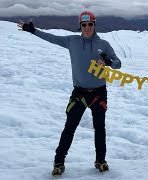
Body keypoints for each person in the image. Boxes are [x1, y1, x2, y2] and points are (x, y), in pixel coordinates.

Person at [17, 11, 121, 175]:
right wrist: (33, 31)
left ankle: (100, 160)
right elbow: (51, 38)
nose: (87, 28)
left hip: (99, 94)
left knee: (100, 128)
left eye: (90, 24)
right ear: (80, 26)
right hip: (79, 93)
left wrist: (108, 61)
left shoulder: (104, 44)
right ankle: (59, 162)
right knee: (69, 128)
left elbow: (118, 63)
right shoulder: (71, 41)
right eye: (84, 25)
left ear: (94, 25)